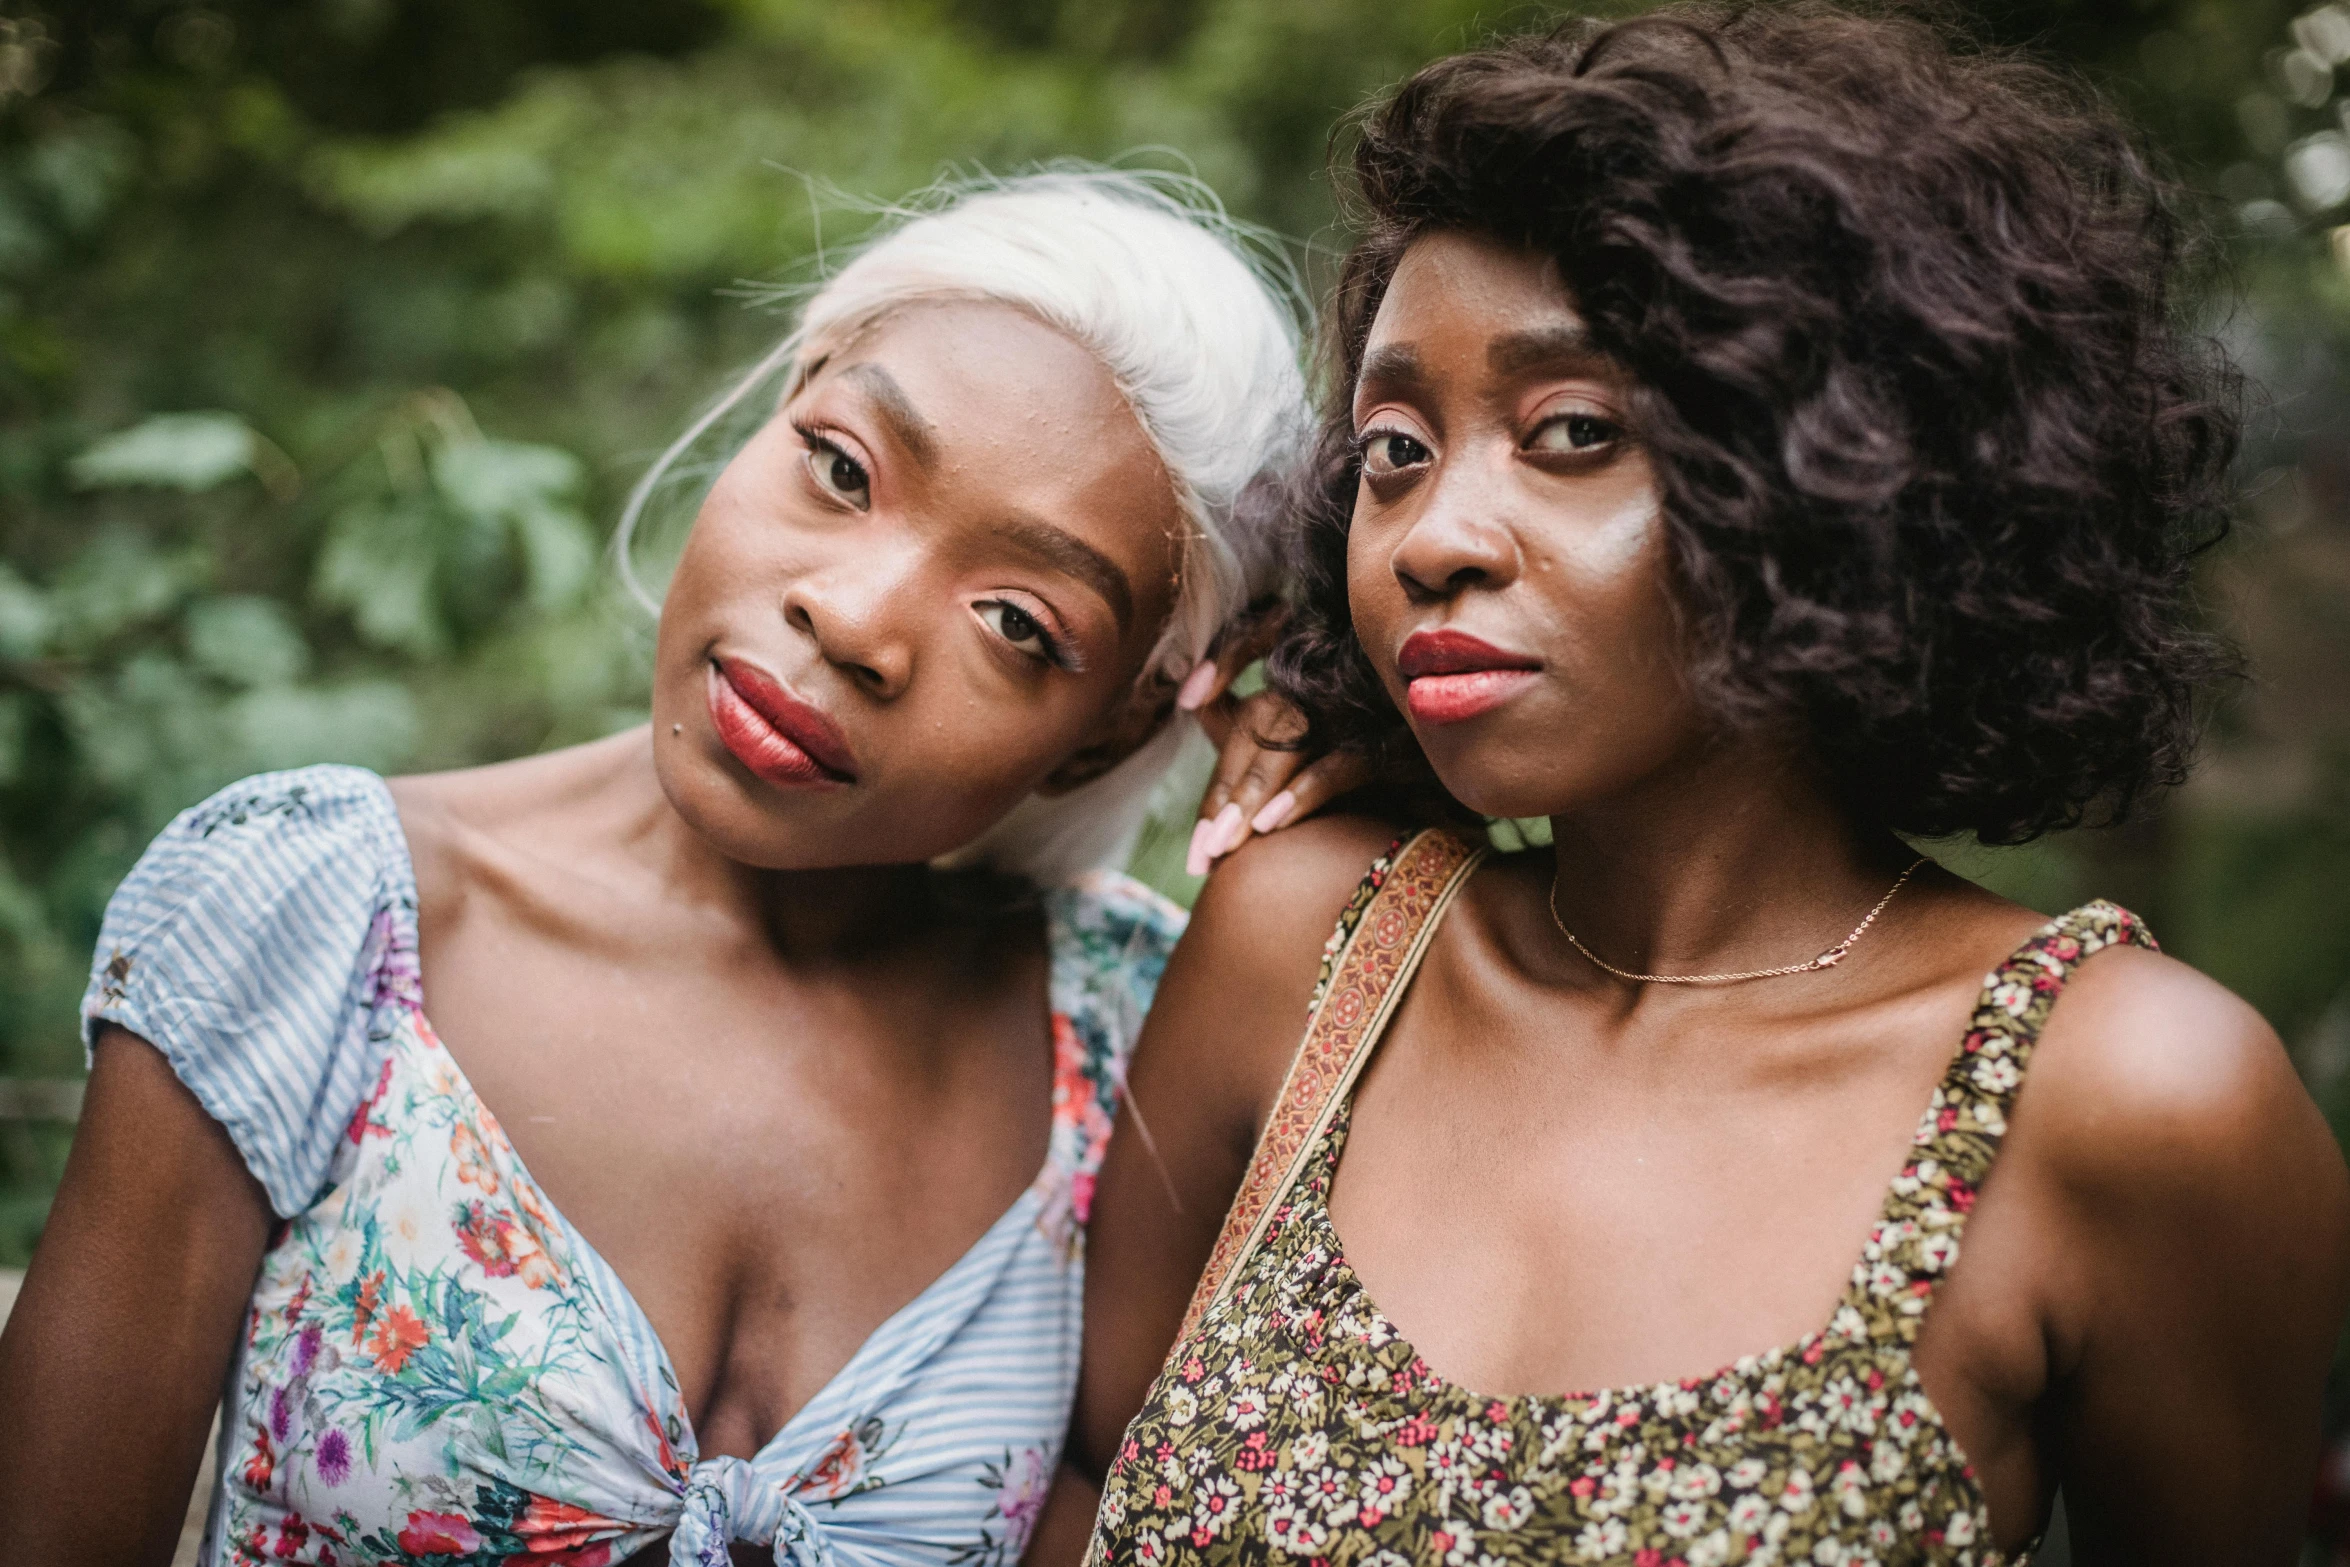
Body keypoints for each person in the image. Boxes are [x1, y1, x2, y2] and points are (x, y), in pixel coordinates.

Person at [1064, 9, 2350, 1563]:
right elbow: (1074, 1484)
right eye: (1394, 448)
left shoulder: (2126, 1099)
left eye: (1575, 433)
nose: (1430, 536)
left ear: (1840, 470)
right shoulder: (1308, 951)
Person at [0, 170, 1322, 1567]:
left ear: (1116, 718)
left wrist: (1354, 749)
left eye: (1014, 619)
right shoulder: (316, 913)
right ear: (783, 399)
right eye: (840, 468)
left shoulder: (1130, 1037)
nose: (854, 617)